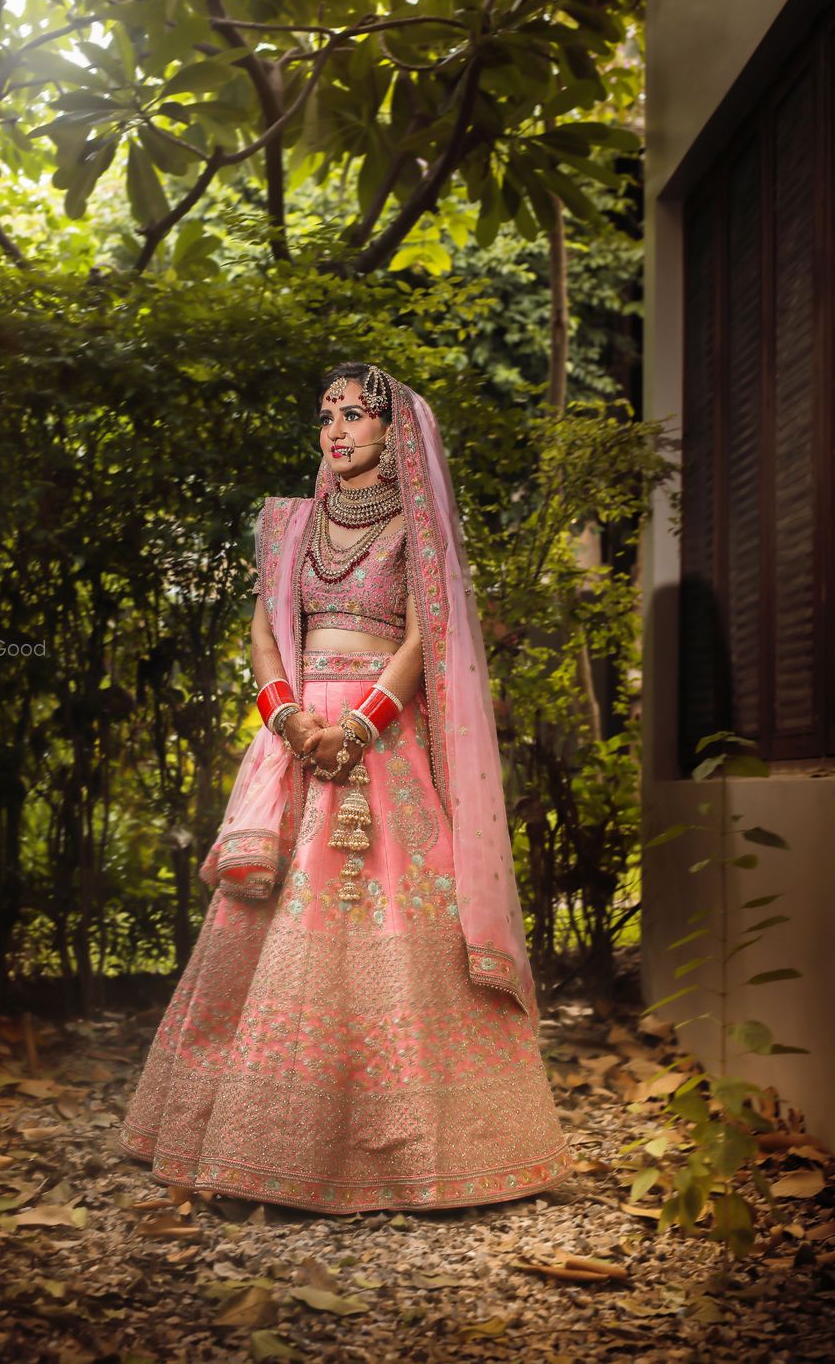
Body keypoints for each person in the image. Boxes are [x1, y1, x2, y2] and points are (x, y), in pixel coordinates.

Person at [118, 363, 575, 1214]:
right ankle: (252, 1148)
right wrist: (288, 719)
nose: (336, 429)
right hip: (297, 739)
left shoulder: (416, 528)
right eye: (325, 414)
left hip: (381, 737)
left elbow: (423, 639)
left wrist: (360, 724)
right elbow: (265, 632)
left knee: (401, 923)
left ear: (392, 431)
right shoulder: (289, 527)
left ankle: (418, 1156)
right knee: (260, 925)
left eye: (355, 414)